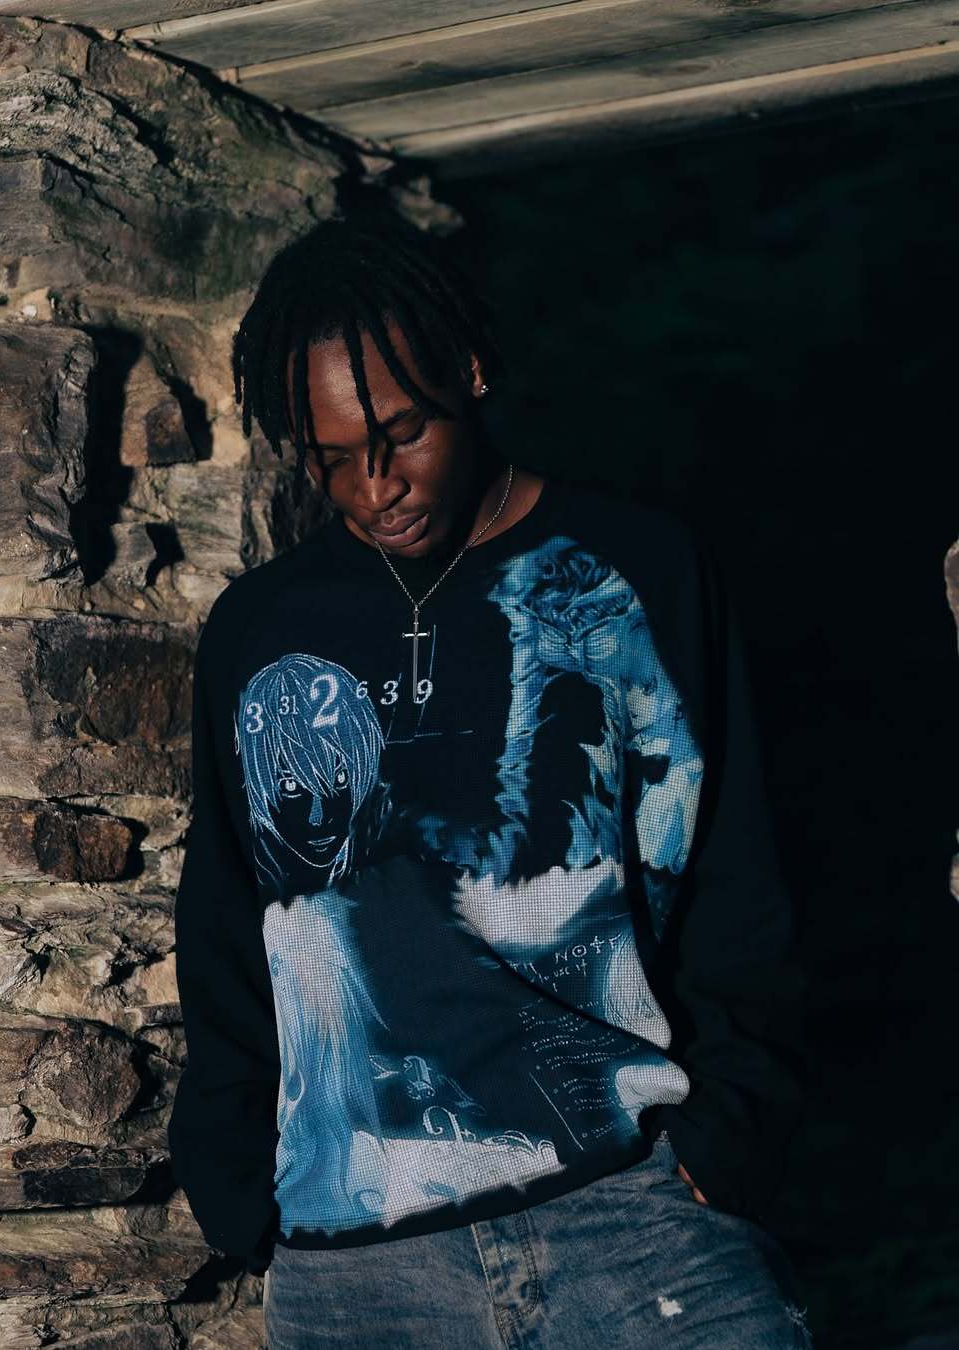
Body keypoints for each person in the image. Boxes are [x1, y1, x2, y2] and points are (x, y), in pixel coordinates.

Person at [167, 211, 813, 1348]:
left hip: (635, 1221)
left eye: (401, 434)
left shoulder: (637, 571)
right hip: (361, 1270)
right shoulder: (258, 631)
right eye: (330, 457)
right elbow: (227, 921)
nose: (374, 487)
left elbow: (736, 865)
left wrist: (729, 1131)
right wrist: (234, 1186)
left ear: (471, 372)